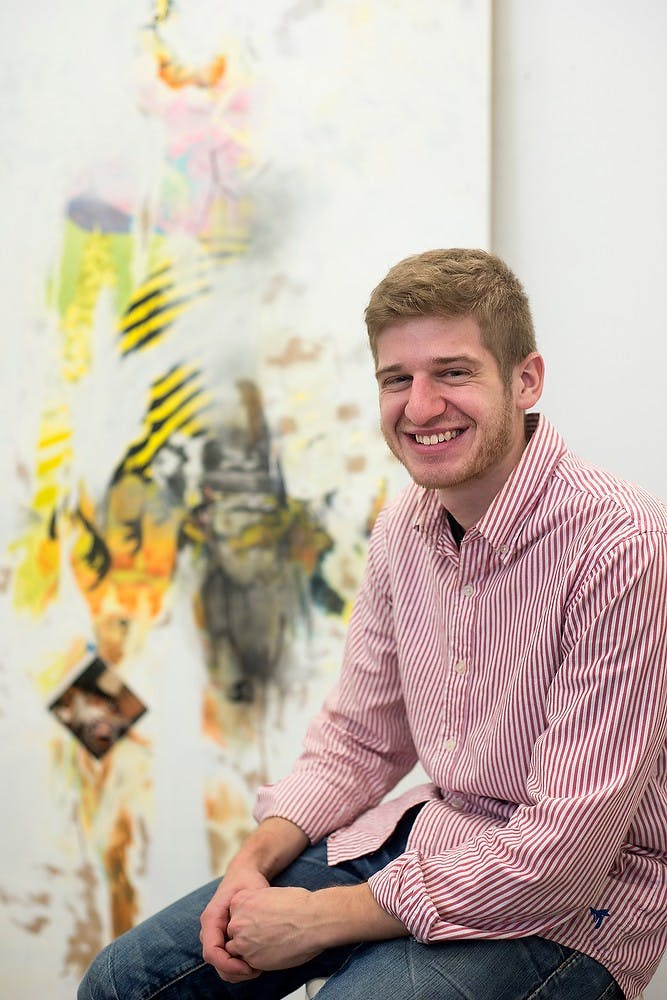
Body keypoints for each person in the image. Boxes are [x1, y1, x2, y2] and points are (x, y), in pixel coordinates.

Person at [78, 249, 667, 1000]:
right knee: (122, 983)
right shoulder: (403, 528)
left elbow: (559, 857)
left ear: (525, 380)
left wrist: (321, 920)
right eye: (397, 379)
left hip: (571, 911)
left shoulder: (621, 546)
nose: (420, 407)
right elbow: (360, 738)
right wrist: (253, 861)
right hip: (428, 839)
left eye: (452, 373)